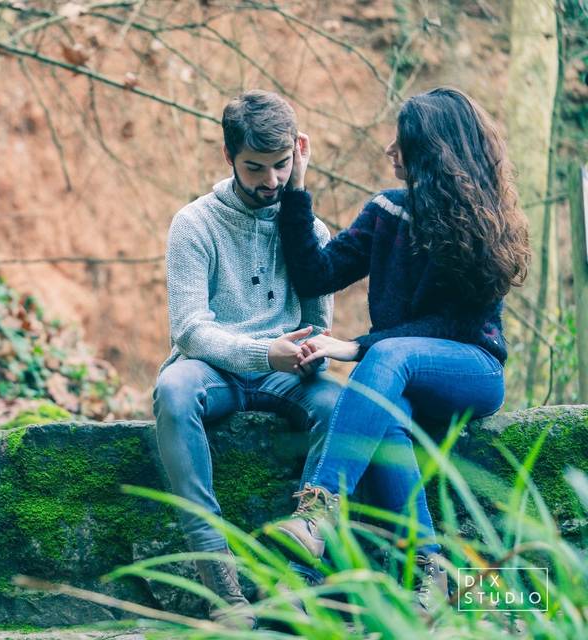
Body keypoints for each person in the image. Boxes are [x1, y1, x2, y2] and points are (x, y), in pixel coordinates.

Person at [273, 87, 531, 614]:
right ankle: (428, 572)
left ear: (432, 151)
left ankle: (316, 517)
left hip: (472, 371)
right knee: (382, 408)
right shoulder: (385, 211)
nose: (391, 149)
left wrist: (357, 345)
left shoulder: (481, 224)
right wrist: (296, 190)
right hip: (400, 376)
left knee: (384, 359)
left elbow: (453, 324)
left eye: (404, 141)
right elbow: (316, 273)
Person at [153, 89, 343, 629]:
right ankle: (221, 578)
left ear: (298, 154)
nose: (271, 180)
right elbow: (189, 329)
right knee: (172, 392)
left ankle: (295, 584)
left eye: (282, 165)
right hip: (214, 370)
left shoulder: (312, 229)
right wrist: (264, 352)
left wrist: (309, 354)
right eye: (255, 167)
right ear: (228, 158)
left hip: (288, 377)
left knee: (345, 408)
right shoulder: (194, 223)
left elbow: (320, 323)